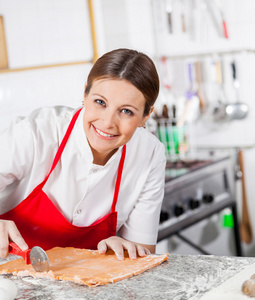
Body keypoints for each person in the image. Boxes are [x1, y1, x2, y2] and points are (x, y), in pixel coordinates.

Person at [0, 48, 166, 261]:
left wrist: (123, 249)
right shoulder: (37, 133)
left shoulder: (149, 155)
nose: (107, 123)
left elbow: (142, 254)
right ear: (85, 93)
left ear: (146, 116)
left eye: (126, 111)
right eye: (100, 102)